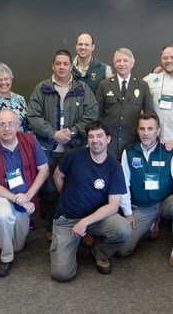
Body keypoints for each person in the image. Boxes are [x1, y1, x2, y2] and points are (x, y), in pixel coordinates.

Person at [27, 50, 98, 237]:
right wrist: (53, 133)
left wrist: (73, 131)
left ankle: (82, 226)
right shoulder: (41, 88)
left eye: (65, 64)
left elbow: (91, 113)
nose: (62, 67)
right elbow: (33, 115)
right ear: (53, 65)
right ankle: (52, 226)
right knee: (50, 189)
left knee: (77, 187)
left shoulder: (82, 89)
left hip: (74, 148)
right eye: (58, 63)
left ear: (71, 66)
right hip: (48, 149)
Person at [50, 120, 131, 281]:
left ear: (108, 139)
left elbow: (113, 206)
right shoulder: (74, 156)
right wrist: (66, 196)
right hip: (67, 219)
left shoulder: (114, 167)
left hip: (96, 219)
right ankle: (72, 241)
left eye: (100, 136)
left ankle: (99, 251)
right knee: (62, 274)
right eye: (91, 136)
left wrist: (85, 222)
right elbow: (57, 176)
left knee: (124, 229)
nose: (95, 140)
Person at [118, 112, 173, 279]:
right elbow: (123, 185)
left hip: (164, 202)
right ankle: (151, 225)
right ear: (137, 131)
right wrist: (128, 213)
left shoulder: (168, 151)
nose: (146, 133)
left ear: (158, 131)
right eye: (142, 129)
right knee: (123, 250)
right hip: (142, 207)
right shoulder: (129, 152)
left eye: (150, 129)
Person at [0, 109, 49, 277]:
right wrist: (19, 200)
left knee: (18, 245)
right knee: (4, 216)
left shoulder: (31, 141)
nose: (7, 128)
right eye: (2, 124)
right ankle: (6, 258)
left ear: (18, 125)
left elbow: (44, 170)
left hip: (24, 196)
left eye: (11, 123)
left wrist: (28, 195)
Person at [95, 48, 153, 158]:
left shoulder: (142, 85)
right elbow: (96, 115)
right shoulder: (104, 85)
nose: (122, 64)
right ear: (114, 64)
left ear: (132, 63)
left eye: (125, 61)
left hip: (133, 142)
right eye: (118, 61)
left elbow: (150, 114)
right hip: (109, 142)